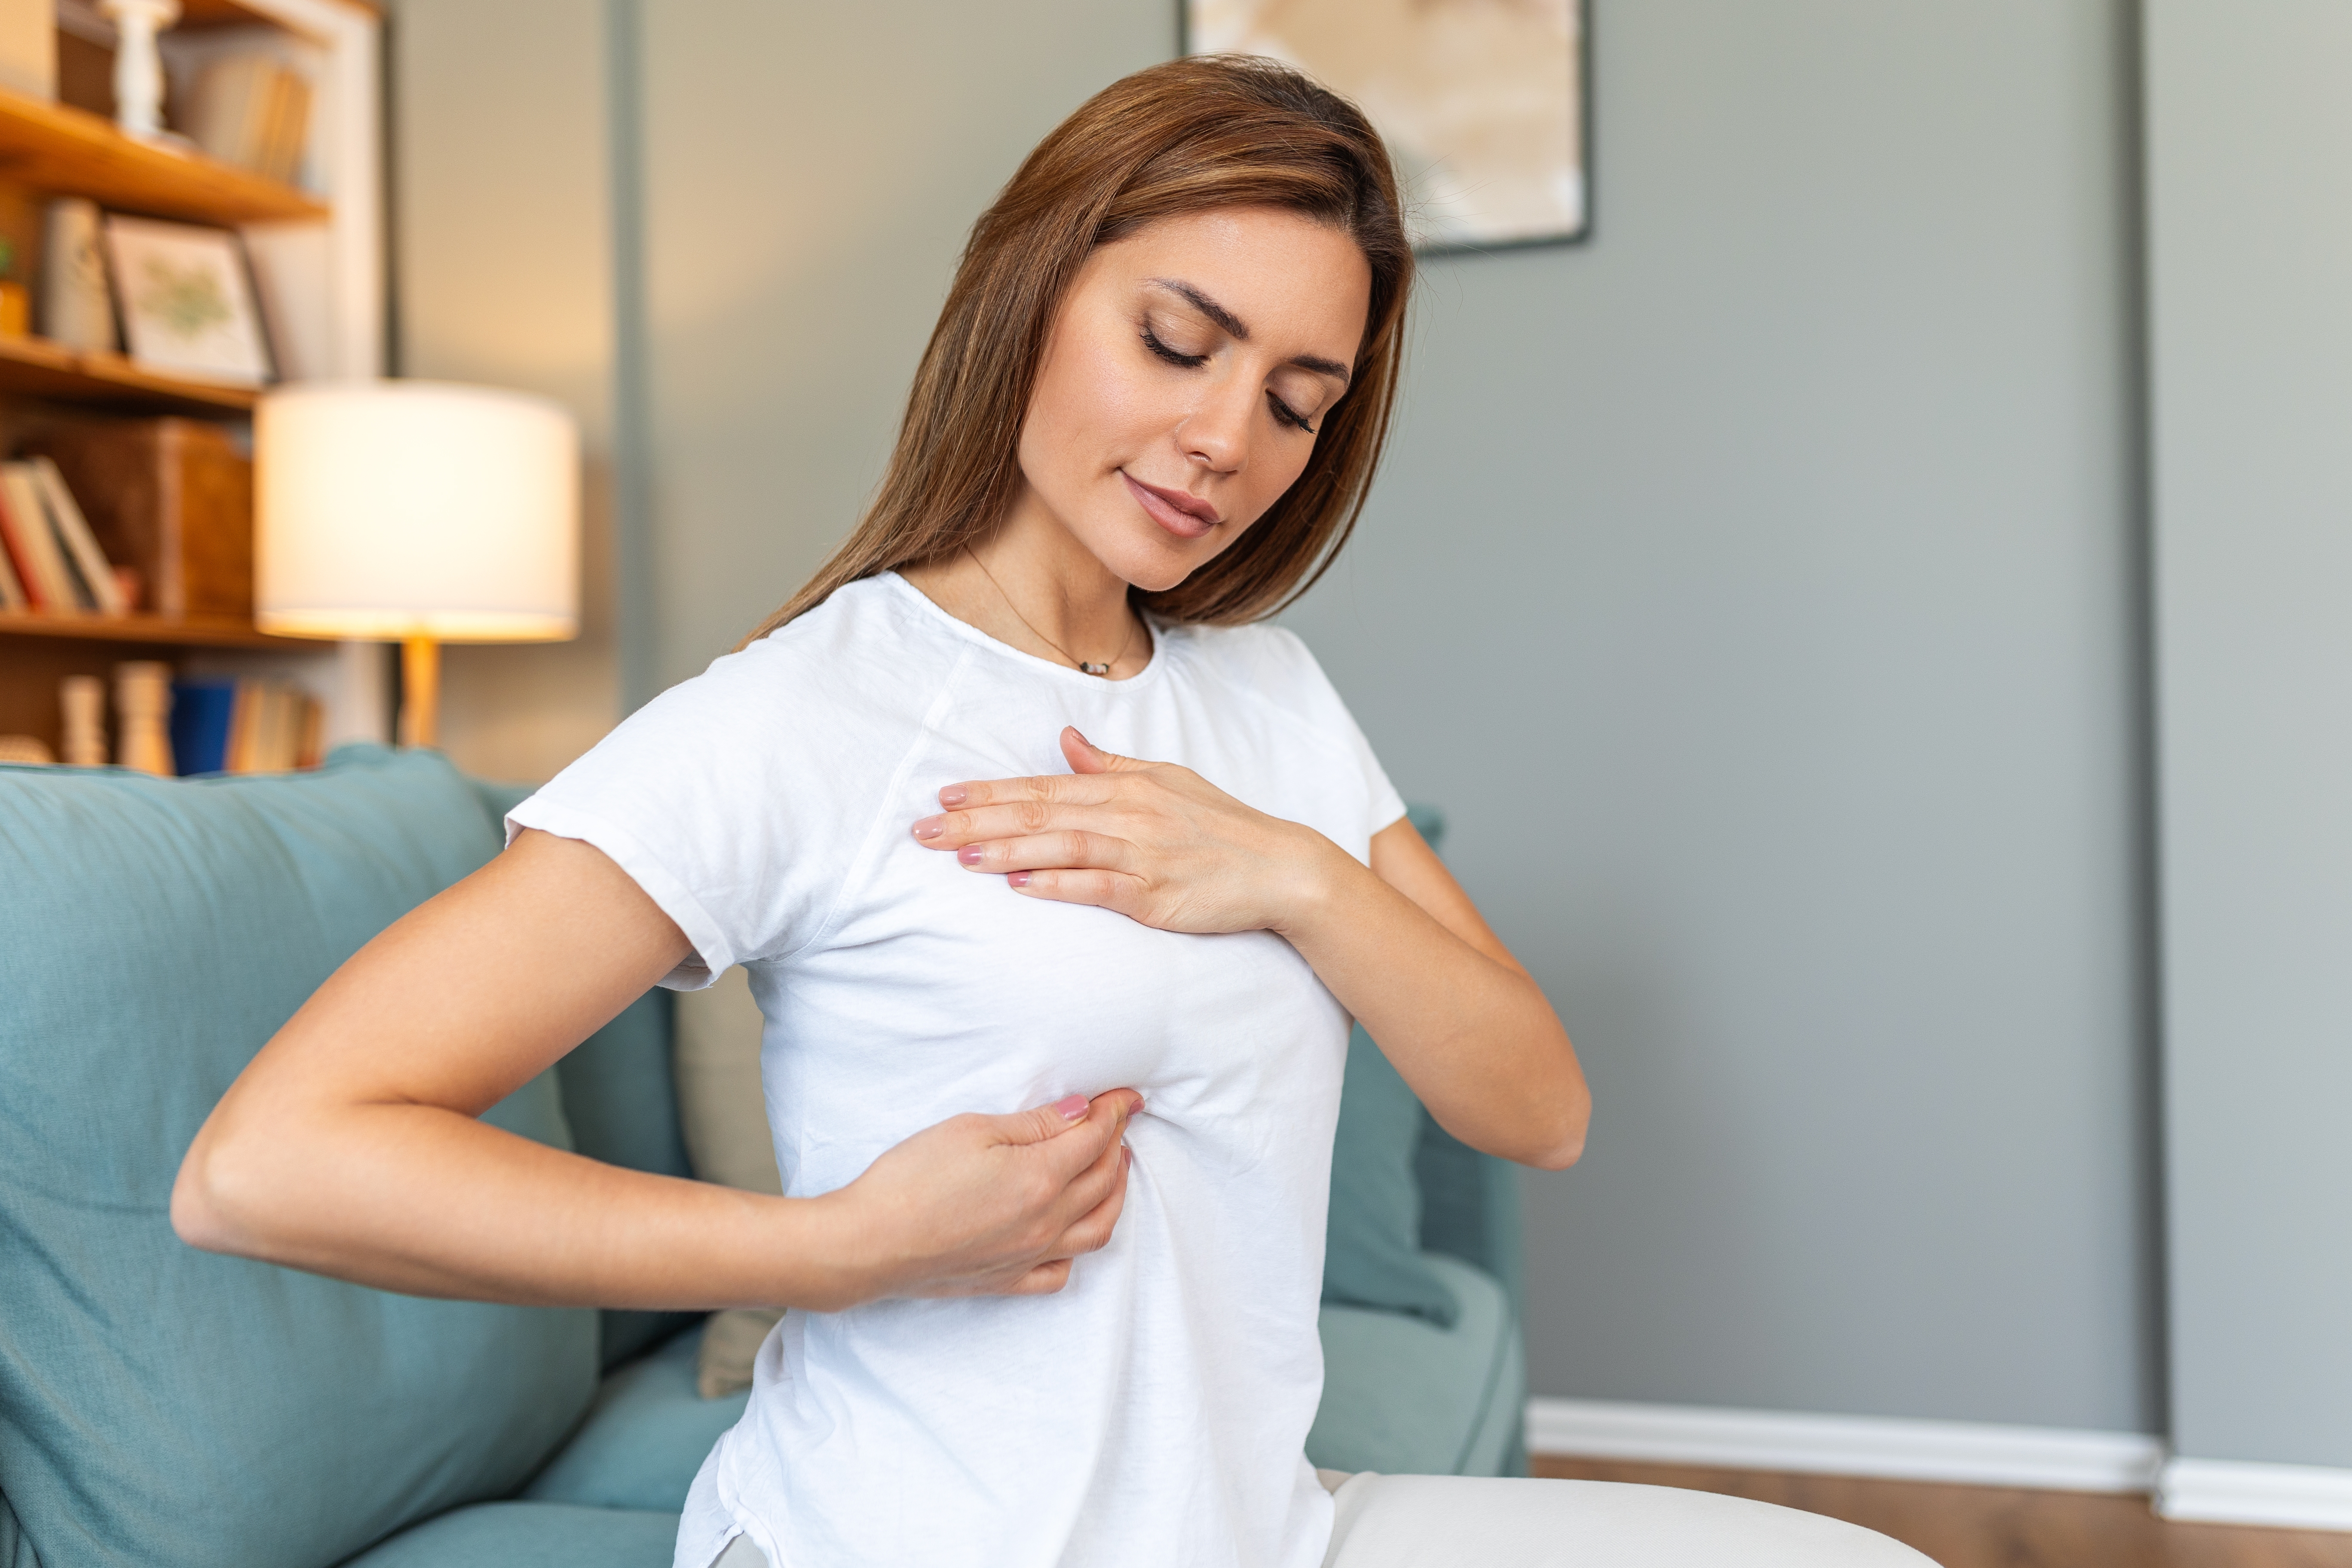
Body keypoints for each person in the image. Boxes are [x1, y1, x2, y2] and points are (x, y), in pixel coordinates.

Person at [175, 55, 1927, 1568]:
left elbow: (1536, 1105)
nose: (1228, 437)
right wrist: (835, 1251)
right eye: (1180, 342)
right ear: (1030, 289)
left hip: (1262, 1529)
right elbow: (271, 1164)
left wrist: (1295, 878)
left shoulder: (1269, 701)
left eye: (1296, 402)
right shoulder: (807, 715)